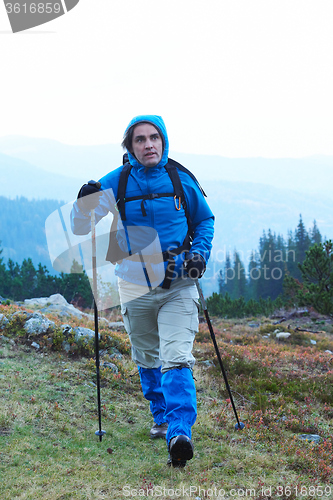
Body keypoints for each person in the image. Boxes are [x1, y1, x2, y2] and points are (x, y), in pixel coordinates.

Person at [71, 115, 214, 467]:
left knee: (176, 356)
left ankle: (180, 431)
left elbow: (205, 220)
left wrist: (199, 254)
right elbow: (80, 226)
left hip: (179, 283)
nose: (148, 144)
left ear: (164, 142)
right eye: (140, 139)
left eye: (154, 138)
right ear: (130, 147)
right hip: (134, 283)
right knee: (147, 356)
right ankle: (161, 415)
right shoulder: (117, 181)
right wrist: (84, 202)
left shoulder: (180, 179)